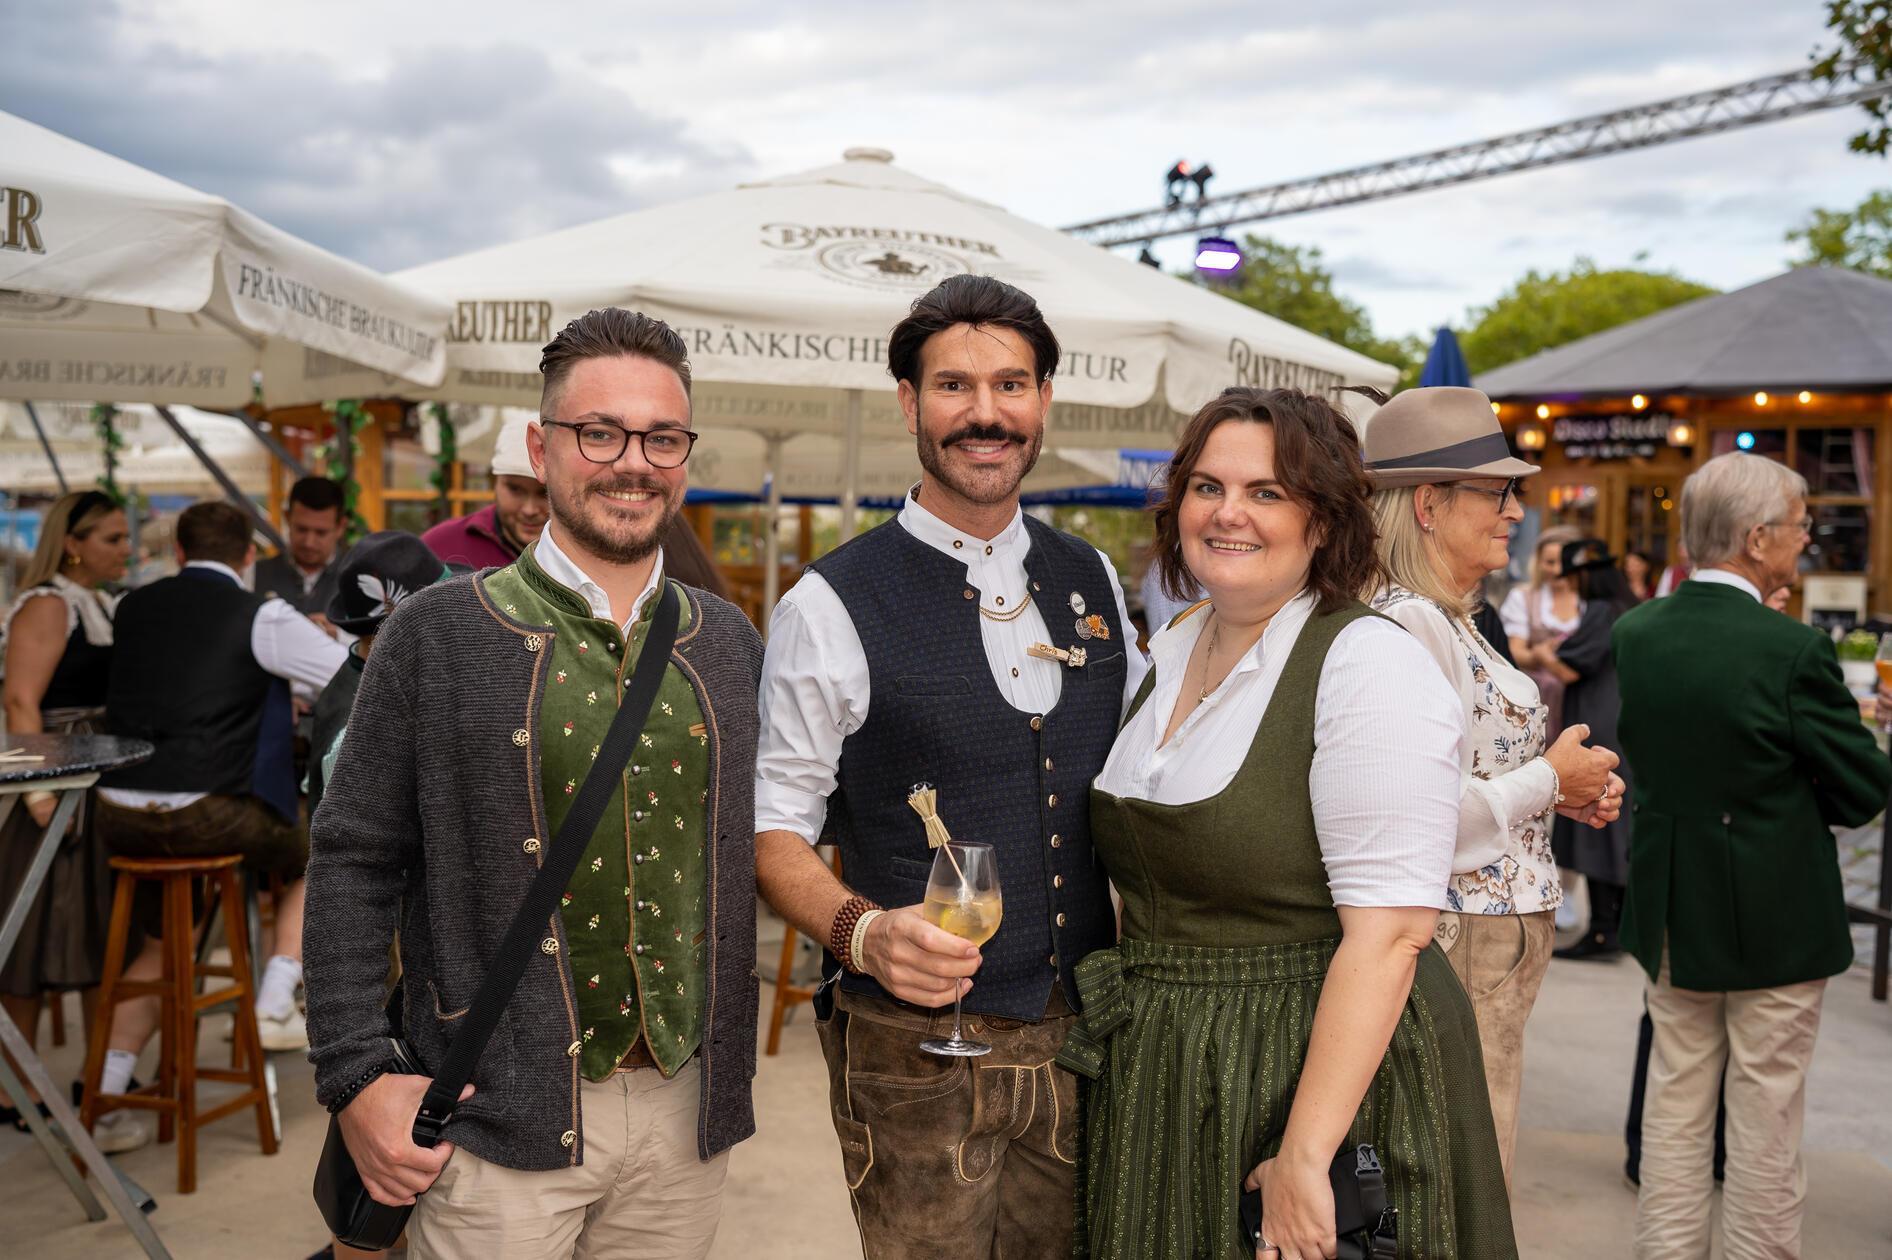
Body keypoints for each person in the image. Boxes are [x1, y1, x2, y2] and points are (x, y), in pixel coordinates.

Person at [306, 308, 763, 1260]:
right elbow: (354, 860)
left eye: (662, 438)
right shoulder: (436, 634)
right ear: (540, 445)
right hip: (494, 1121)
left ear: (685, 455)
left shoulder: (727, 643)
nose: (632, 461)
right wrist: (355, 1074)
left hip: (687, 1119)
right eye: (600, 432)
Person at [1059, 386, 1515, 1259]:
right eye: (1207, 486)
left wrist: (1308, 1154)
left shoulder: (1368, 661)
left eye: (1267, 492)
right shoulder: (1181, 640)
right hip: (1170, 1065)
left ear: (1326, 518)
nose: (1229, 513)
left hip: (1313, 1068)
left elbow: (1390, 934)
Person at [753, 274, 1146, 1260]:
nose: (985, 413)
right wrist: (862, 932)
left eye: (1010, 385)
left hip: (1084, 1038)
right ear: (908, 404)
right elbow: (769, 832)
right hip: (913, 1055)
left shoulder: (1088, 575)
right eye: (953, 387)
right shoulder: (830, 602)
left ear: (1044, 401)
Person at [1614, 452, 1890, 1257]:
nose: (1807, 541)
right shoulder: (1792, 651)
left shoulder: (1639, 633)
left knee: (1675, 1102)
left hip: (1673, 900)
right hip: (1773, 907)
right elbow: (1861, 789)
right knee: (1766, 1115)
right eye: (1800, 527)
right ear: (1759, 538)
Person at [1361, 387, 1622, 1185]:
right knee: (1463, 1174)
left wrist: (1559, 790)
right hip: (1460, 933)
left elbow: (1468, 774)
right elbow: (1419, 818)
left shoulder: (1447, 614)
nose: (1516, 509)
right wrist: (1550, 778)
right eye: (1498, 490)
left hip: (1486, 933)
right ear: (1430, 504)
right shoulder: (1411, 623)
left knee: (1474, 1159)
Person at [87, 500, 348, 1152]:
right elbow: (347, 679)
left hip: (117, 811)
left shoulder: (132, 608)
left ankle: (109, 1095)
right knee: (330, 847)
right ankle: (275, 999)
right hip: (210, 812)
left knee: (160, 941)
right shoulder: (261, 613)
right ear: (250, 556)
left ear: (178, 552)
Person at [0, 490, 129, 1131]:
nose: (126, 549)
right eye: (112, 538)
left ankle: (83, 1082)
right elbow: (21, 702)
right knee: (30, 939)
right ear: (73, 542)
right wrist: (42, 797)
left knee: (82, 935)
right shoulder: (47, 603)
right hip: (53, 781)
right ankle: (13, 1091)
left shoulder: (97, 604)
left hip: (90, 779)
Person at [1545, 540, 1637, 962]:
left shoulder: (1602, 612)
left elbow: (1567, 664)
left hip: (1598, 722)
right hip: (1619, 718)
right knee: (1614, 826)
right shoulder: (1628, 607)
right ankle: (1613, 926)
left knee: (1598, 826)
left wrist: (1534, 651)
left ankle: (1603, 930)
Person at [420, 414, 550, 569]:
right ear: (492, 482)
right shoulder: (439, 546)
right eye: (515, 489)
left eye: (544, 493)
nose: (530, 510)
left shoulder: (584, 553)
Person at [254, 476, 350, 622]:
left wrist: (340, 635)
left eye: (321, 533)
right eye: (301, 529)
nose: (309, 543)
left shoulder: (357, 579)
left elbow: (376, 639)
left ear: (340, 527)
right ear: (287, 518)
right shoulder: (254, 574)